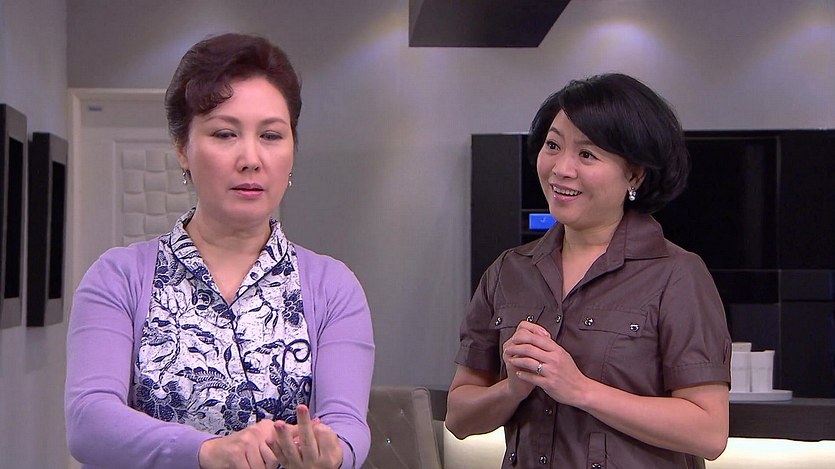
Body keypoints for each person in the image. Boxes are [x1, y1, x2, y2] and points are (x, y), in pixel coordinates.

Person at [65, 33, 375, 469]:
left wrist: (333, 452)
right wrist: (208, 451)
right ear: (183, 149)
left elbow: (348, 425)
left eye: (271, 135)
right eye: (225, 133)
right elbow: (88, 420)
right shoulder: (119, 277)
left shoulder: (332, 286)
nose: (251, 158)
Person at [446, 73, 731, 468]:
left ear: (635, 174)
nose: (561, 169)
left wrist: (580, 389)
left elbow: (709, 431)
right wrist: (512, 389)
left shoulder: (677, 274)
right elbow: (459, 417)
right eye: (553, 145)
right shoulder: (508, 271)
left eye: (587, 154)